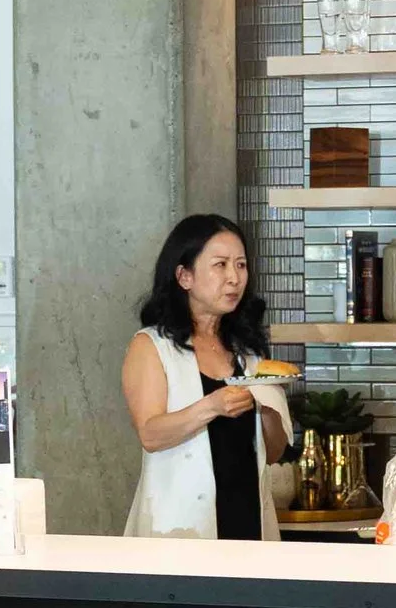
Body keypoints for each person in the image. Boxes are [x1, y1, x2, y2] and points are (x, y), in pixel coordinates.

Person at [124, 213, 293, 541]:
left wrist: (272, 406)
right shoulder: (151, 346)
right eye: (221, 265)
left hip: (248, 524)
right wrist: (212, 406)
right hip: (179, 529)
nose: (234, 278)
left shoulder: (248, 352)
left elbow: (272, 454)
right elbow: (150, 434)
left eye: (241, 265)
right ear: (184, 276)